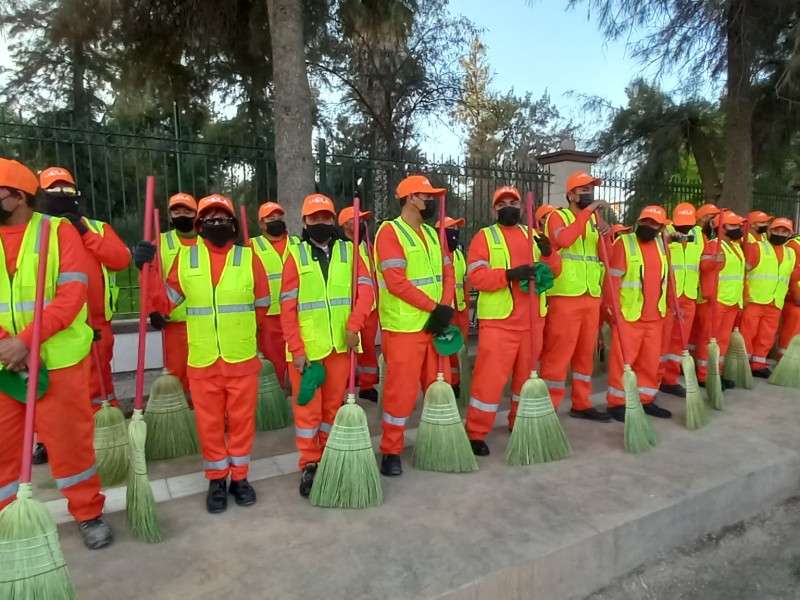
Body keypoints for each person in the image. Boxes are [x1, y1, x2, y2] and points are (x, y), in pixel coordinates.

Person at [0, 158, 111, 549]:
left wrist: (27, 340)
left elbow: (71, 296)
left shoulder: (58, 232)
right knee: (3, 446)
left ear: (17, 197)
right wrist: (7, 345)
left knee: (69, 443)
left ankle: (88, 513)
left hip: (58, 361)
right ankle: (10, 518)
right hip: (4, 363)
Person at [134, 194, 270, 513]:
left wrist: (246, 333)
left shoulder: (249, 259)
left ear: (233, 224)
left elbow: (262, 304)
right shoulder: (187, 259)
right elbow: (166, 300)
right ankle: (216, 479)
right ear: (199, 226)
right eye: (209, 219)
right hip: (203, 359)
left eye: (222, 218)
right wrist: (146, 270)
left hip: (240, 358)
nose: (216, 223)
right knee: (209, 424)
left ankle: (240, 477)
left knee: (241, 422)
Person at [281, 195, 374, 497]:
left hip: (339, 347)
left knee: (333, 409)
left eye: (326, 218)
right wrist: (296, 350)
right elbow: (287, 308)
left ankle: (330, 456)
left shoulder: (350, 252)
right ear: (304, 222)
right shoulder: (295, 256)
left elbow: (366, 292)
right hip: (307, 351)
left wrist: (354, 327)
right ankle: (310, 463)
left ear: (334, 221)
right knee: (307, 411)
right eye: (314, 219)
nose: (320, 223)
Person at [464, 186, 562, 454]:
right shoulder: (484, 237)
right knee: (489, 381)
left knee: (526, 380)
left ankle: (519, 423)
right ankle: (475, 432)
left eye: (513, 202)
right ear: (494, 209)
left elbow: (554, 273)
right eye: (502, 203)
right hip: (499, 323)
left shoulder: (534, 235)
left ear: (522, 207)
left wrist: (549, 253)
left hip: (533, 322)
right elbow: (477, 277)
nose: (508, 206)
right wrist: (509, 275)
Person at [374, 175, 455, 476]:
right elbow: (396, 282)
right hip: (405, 329)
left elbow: (448, 273)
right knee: (401, 393)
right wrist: (436, 308)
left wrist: (444, 309)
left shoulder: (434, 235)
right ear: (410, 199)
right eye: (427, 196)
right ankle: (391, 451)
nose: (431, 201)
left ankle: (439, 442)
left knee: (439, 387)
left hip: (434, 325)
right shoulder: (389, 232)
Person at [38, 167, 130, 414]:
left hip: (98, 323)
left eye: (67, 189)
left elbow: (120, 260)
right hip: (56, 324)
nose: (62, 194)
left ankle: (105, 426)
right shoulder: (36, 231)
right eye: (54, 190)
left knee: (101, 382)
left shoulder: (98, 228)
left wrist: (84, 232)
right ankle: (58, 436)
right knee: (59, 384)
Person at [539, 171, 611, 421]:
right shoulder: (557, 217)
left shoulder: (592, 221)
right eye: (583, 190)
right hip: (565, 296)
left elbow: (605, 257)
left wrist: (607, 233)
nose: (589, 194)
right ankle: (550, 408)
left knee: (584, 355)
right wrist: (589, 211)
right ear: (570, 194)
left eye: (591, 189)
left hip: (591, 295)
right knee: (558, 356)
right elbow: (565, 240)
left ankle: (582, 402)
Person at [605, 206, 673, 421]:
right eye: (645, 221)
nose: (647, 226)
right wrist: (612, 310)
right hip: (629, 315)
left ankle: (646, 399)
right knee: (623, 362)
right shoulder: (624, 243)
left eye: (653, 224)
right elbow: (612, 280)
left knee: (649, 362)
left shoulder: (663, 246)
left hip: (655, 316)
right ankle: (617, 402)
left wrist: (671, 305)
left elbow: (669, 279)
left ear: (661, 227)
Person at [147, 192, 198, 394]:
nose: (181, 215)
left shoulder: (207, 242)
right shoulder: (159, 243)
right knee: (178, 372)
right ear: (169, 216)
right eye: (176, 211)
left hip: (204, 321)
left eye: (187, 211)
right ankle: (184, 413)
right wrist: (153, 310)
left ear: (196, 214)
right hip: (174, 322)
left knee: (205, 371)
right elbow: (149, 280)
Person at [250, 201, 299, 387]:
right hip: (269, 317)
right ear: (261, 223)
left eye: (279, 217)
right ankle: (277, 398)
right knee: (274, 363)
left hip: (296, 311)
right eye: (271, 218)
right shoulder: (251, 246)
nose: (276, 220)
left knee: (298, 359)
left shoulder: (297, 243)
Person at [740, 217, 797, 377]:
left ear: (790, 234)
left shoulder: (791, 254)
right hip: (753, 300)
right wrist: (744, 295)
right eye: (777, 230)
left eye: (784, 231)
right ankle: (743, 365)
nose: (780, 233)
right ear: (770, 230)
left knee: (766, 336)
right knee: (747, 334)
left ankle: (758, 364)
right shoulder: (756, 248)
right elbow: (742, 273)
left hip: (775, 302)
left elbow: (790, 278)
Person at [658, 203, 704, 397]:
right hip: (669, 295)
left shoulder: (699, 236)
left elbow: (703, 261)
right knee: (663, 340)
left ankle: (670, 379)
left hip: (689, 294)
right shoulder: (663, 232)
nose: (683, 228)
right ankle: (654, 379)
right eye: (680, 224)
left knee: (680, 341)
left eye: (687, 224)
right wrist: (667, 241)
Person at [695, 210, 746, 387]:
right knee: (709, 340)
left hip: (731, 301)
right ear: (721, 228)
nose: (738, 228)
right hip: (715, 301)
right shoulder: (712, 245)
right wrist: (713, 262)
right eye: (733, 225)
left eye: (738, 225)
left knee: (722, 341)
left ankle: (717, 373)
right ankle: (704, 375)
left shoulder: (736, 246)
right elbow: (703, 268)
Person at [339, 205, 380, 403]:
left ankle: (367, 384)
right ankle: (344, 386)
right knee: (347, 350)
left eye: (363, 219)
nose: (362, 223)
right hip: (349, 307)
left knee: (369, 348)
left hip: (370, 308)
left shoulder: (367, 246)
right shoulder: (341, 248)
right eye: (357, 219)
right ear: (345, 224)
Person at [437, 216, 470, 396]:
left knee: (458, 347)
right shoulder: (437, 253)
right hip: (446, 309)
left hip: (460, 308)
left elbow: (464, 281)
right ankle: (447, 383)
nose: (456, 231)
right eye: (452, 228)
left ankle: (456, 383)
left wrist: (465, 303)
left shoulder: (457, 253)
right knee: (446, 348)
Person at [689, 204, 721, 357]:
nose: (715, 221)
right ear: (703, 218)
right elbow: (704, 266)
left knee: (694, 330)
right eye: (712, 217)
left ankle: (688, 357)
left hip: (696, 290)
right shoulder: (697, 235)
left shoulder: (703, 237)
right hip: (695, 290)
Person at [778, 234, 800, 358]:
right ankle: (785, 359)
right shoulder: (794, 246)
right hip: (794, 300)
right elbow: (791, 274)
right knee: (793, 329)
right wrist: (797, 294)